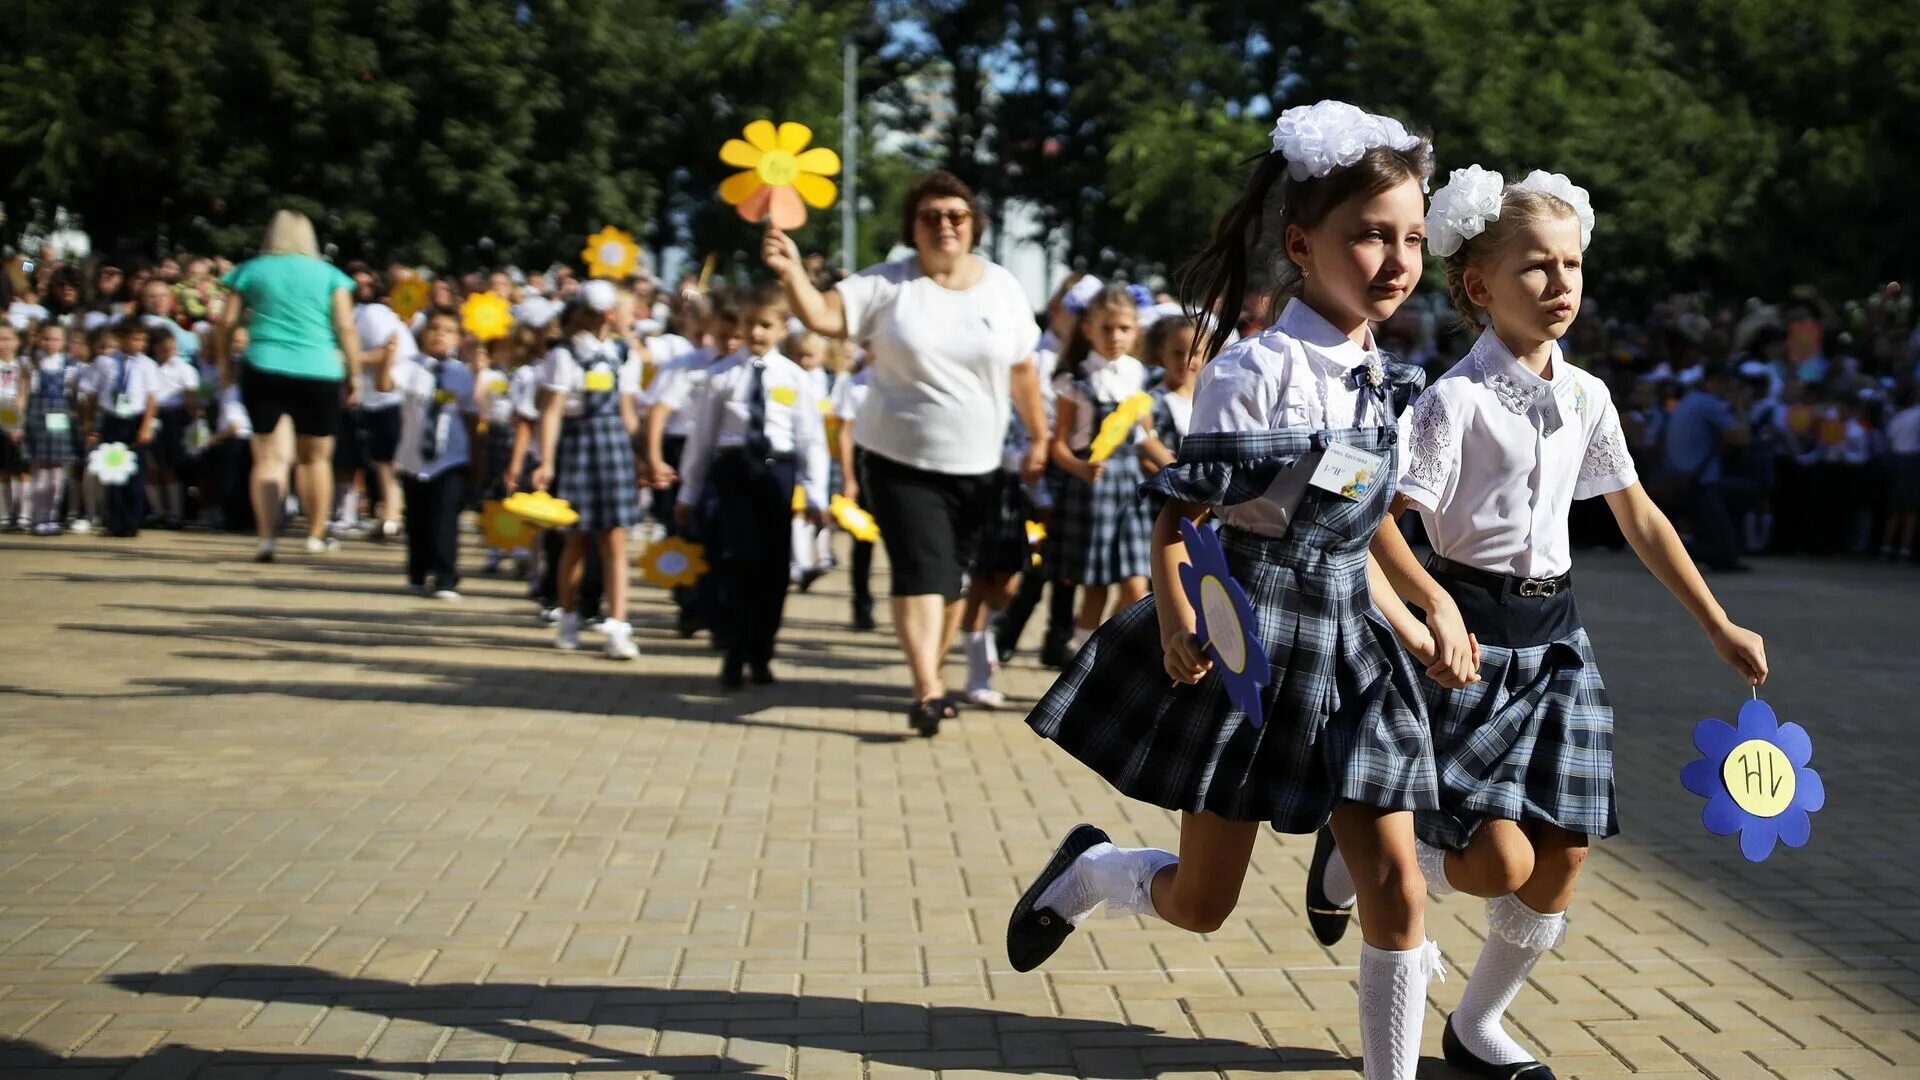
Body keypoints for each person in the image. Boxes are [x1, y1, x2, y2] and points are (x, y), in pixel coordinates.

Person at [1005, 101, 1458, 1080]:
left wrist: (1425, 601)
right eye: (1370, 235)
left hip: (1352, 650)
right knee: (1204, 905)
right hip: (1252, 649)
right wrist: (1175, 614)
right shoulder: (1255, 372)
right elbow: (1182, 519)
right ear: (1301, 244)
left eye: (1412, 237)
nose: (1396, 258)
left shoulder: (1383, 373)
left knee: (1396, 887)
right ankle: (1094, 871)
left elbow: (1359, 513)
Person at [1322, 166, 1769, 1080]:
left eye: (1571, 264)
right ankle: (1356, 866)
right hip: (1469, 650)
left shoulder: (1589, 396)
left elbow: (1637, 515)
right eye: (1535, 267)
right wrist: (1429, 612)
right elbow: (1372, 523)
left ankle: (1476, 1026)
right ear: (1480, 287)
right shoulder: (1453, 400)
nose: (1561, 283)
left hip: (1559, 645)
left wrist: (1717, 622)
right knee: (1495, 863)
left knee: (1560, 865)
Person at [765, 170, 1051, 736]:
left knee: (949, 580)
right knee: (921, 569)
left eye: (956, 215)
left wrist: (1040, 435)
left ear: (974, 226)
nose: (944, 225)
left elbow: (1021, 370)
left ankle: (933, 676)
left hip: (978, 463)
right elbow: (823, 316)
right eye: (931, 216)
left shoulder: (1002, 286)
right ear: (912, 228)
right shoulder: (888, 285)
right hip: (897, 458)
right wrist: (791, 272)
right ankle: (926, 688)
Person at [673, 284, 830, 688]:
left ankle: (762, 650)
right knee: (735, 561)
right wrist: (688, 492)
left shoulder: (796, 379)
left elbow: (811, 439)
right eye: (750, 325)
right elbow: (702, 437)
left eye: (766, 325)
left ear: (782, 329)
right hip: (733, 471)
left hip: (776, 472)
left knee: (773, 569)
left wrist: (816, 494)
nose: (757, 333)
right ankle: (733, 650)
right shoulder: (721, 377)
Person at [214, 210, 364, 562]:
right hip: (320, 369)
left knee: (268, 457)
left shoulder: (252, 269)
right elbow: (345, 326)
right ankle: (315, 534)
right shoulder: (330, 274)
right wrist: (354, 373)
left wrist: (224, 363)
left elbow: (226, 321)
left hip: (264, 364)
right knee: (316, 458)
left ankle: (267, 539)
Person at [531, 279, 642, 660]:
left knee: (614, 539)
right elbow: (553, 411)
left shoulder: (624, 354)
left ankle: (618, 625)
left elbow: (628, 414)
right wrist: (545, 460)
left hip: (613, 448)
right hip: (578, 446)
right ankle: (569, 615)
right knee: (575, 540)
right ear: (609, 314)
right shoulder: (565, 354)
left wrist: (642, 457)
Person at [1047, 284, 1155, 652]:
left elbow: (1144, 435)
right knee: (1095, 587)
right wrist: (1078, 469)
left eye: (1124, 328)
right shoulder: (1075, 380)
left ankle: (1105, 649)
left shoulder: (1137, 374)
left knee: (1137, 587)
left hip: (1133, 485)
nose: (1115, 337)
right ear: (1088, 328)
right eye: (1106, 328)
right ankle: (1081, 653)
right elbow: (1058, 444)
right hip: (1095, 487)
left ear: (1136, 330)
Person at [383, 307, 479, 600]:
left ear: (458, 339)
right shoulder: (410, 367)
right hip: (414, 456)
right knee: (418, 519)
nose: (440, 336)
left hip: (450, 457)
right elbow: (384, 385)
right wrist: (388, 355)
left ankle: (446, 577)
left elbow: (471, 415)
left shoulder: (462, 373)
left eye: (448, 331)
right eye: (435, 329)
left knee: (446, 517)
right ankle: (417, 571)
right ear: (424, 333)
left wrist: (477, 456)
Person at [1660, 363, 1753, 571]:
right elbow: (1742, 439)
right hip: (1699, 484)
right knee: (1725, 551)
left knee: (1715, 536)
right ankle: (1666, 554)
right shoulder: (1710, 404)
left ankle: (1669, 553)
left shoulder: (1687, 401)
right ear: (1716, 382)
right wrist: (1740, 408)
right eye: (1727, 384)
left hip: (1678, 479)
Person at [350, 264, 417, 541]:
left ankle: (392, 517)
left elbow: (388, 349)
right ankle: (390, 515)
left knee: (389, 461)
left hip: (390, 396)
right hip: (379, 398)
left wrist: (348, 359)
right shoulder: (364, 313)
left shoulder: (372, 313)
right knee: (383, 461)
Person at [85, 319, 160, 537]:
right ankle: (115, 521)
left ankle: (132, 522)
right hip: (112, 419)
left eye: (143, 340)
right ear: (121, 339)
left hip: (135, 421)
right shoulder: (104, 362)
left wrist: (146, 426)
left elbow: (151, 398)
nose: (140, 344)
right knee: (113, 471)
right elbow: (91, 393)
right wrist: (89, 423)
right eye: (135, 339)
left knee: (135, 473)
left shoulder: (148, 365)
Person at [832, 350, 877, 631]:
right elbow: (845, 433)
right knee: (863, 541)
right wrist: (849, 478)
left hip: (897, 464)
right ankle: (861, 605)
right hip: (864, 463)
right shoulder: (855, 384)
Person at [22, 324, 77, 534]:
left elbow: (73, 398)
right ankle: (39, 517)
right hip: (37, 417)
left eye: (55, 339)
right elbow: (22, 396)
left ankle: (53, 517)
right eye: (46, 338)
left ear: (63, 342)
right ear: (38, 339)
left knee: (56, 473)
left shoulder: (69, 365)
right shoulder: (30, 363)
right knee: (40, 472)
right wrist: (17, 423)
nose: (50, 343)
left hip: (60, 420)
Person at [147, 328, 200, 528]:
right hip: (151, 415)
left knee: (170, 466)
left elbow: (191, 399)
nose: (167, 351)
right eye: (162, 348)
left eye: (171, 347)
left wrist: (193, 419)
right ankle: (157, 511)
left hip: (174, 417)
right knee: (152, 466)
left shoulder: (184, 369)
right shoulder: (149, 366)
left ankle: (175, 513)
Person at [1883, 386, 1920, 560]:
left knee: (1896, 507)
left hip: (1895, 460)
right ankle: (1904, 548)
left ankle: (1887, 546)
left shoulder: (1899, 416)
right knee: (1911, 508)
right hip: (1912, 460)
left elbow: (1889, 442)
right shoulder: (1916, 415)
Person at [0, 324, 25, 529]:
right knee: (2, 470)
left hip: (17, 422)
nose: (3, 344)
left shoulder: (23, 367)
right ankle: (4, 514)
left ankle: (23, 514)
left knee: (21, 468)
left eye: (7, 339)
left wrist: (15, 424)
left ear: (17, 342)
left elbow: (23, 396)